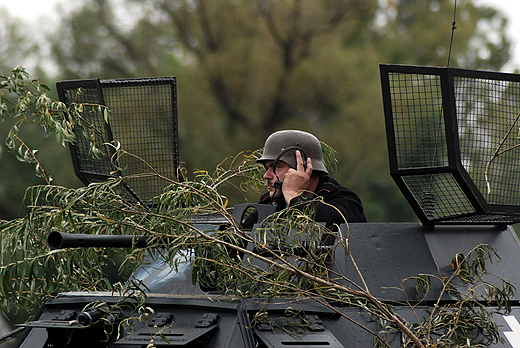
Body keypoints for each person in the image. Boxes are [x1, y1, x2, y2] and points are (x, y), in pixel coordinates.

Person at [241, 130, 366, 230]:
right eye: (266, 168)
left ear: (303, 168)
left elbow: (334, 224)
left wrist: (294, 196)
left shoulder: (344, 201)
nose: (266, 175)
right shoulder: (270, 204)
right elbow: (237, 243)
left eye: (276, 167)